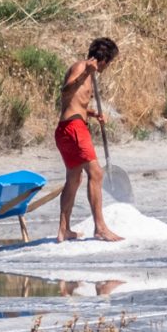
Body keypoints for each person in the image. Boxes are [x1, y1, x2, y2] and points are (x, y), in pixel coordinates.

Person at [54, 37, 123, 242]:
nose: (108, 67)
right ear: (103, 60)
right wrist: (86, 71)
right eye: (109, 62)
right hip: (73, 128)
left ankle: (63, 230)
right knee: (96, 173)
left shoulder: (89, 74)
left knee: (74, 179)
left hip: (68, 127)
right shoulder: (80, 67)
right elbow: (65, 91)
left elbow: (76, 102)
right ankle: (100, 228)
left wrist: (92, 114)